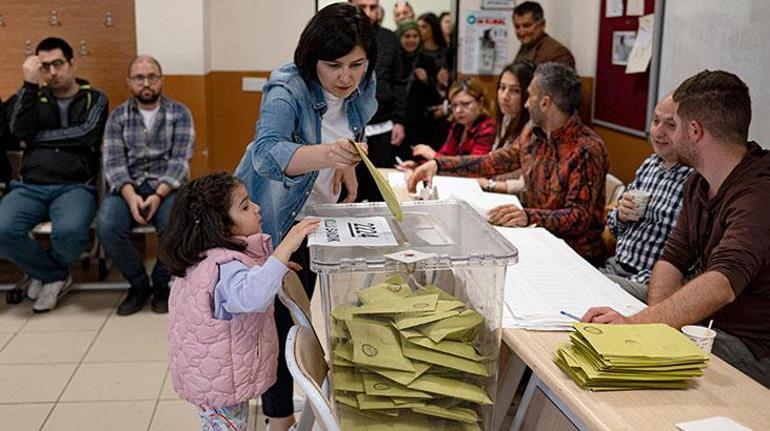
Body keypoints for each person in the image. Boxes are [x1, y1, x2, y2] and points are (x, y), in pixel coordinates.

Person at [233, 4, 377, 429]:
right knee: (278, 320)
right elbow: (266, 153)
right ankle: (279, 417)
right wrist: (329, 155)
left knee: (314, 312)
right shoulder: (286, 88)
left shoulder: (364, 82)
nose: (346, 77)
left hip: (322, 212)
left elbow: (350, 126)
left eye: (357, 64)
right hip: (278, 217)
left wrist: (345, 161)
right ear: (310, 58)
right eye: (333, 66)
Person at [582, 70, 770, 388]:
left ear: (694, 130)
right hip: (706, 321)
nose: (668, 133)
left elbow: (721, 284)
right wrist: (653, 324)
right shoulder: (699, 181)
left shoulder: (758, 194)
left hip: (747, 347)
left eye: (676, 124)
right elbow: (672, 259)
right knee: (590, 287)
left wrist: (640, 325)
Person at [161, 172, 320, 431]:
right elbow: (251, 296)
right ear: (221, 224)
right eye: (245, 206)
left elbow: (247, 279)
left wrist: (272, 268)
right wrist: (284, 249)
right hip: (218, 380)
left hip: (213, 371)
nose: (256, 208)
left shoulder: (208, 256)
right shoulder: (223, 267)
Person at [407, 62, 608, 263]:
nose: (527, 103)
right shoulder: (533, 135)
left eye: (530, 95)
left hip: (575, 257)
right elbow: (492, 162)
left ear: (545, 103)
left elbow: (578, 217)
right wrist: (439, 164)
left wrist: (529, 217)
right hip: (537, 239)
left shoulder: (587, 149)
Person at [0, 37, 108, 312]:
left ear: (72, 63)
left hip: (75, 187)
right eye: (44, 66)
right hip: (29, 186)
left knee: (71, 232)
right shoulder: (31, 96)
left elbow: (87, 134)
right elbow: (16, 133)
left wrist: (37, 139)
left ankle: (44, 275)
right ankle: (55, 275)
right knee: (2, 229)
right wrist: (28, 85)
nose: (52, 72)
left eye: (58, 64)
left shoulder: (94, 98)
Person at [97, 55, 195, 316]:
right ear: (130, 82)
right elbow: (114, 163)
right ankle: (138, 284)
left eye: (152, 77)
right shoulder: (117, 117)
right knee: (107, 225)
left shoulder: (180, 113)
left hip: (168, 187)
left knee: (174, 226)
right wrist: (131, 198)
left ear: (161, 81)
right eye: (139, 78)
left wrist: (157, 195)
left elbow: (180, 161)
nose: (146, 83)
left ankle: (161, 284)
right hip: (127, 188)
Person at [600, 94, 692, 302]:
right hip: (616, 266)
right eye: (656, 121)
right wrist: (621, 215)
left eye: (671, 125)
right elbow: (613, 227)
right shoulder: (650, 165)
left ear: (691, 131)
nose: (659, 131)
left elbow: (688, 262)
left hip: (647, 282)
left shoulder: (695, 181)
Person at [351, 0, 407, 202]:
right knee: (349, 191)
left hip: (382, 128)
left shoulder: (390, 39)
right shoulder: (341, 37)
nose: (368, 12)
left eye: (373, 7)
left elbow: (399, 82)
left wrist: (399, 120)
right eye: (362, 7)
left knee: (380, 191)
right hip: (348, 130)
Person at [477, 61, 535, 195]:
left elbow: (526, 185)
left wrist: (488, 184)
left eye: (515, 91)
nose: (504, 96)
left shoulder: (533, 129)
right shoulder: (507, 117)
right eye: (502, 88)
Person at [409, 78, 496, 162]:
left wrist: (433, 156)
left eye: (465, 104)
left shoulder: (488, 127)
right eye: (454, 105)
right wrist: (418, 166)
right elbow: (445, 155)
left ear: (480, 103)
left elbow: (474, 166)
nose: (458, 110)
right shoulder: (458, 127)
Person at [397, 19, 443, 155]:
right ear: (399, 37)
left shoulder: (427, 59)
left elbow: (436, 95)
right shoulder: (395, 59)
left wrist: (427, 80)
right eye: (407, 36)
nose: (411, 40)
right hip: (400, 119)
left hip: (422, 123)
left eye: (415, 36)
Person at [512, 1, 575, 69]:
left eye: (527, 26)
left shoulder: (559, 53)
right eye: (517, 27)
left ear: (542, 24)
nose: (522, 32)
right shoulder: (526, 47)